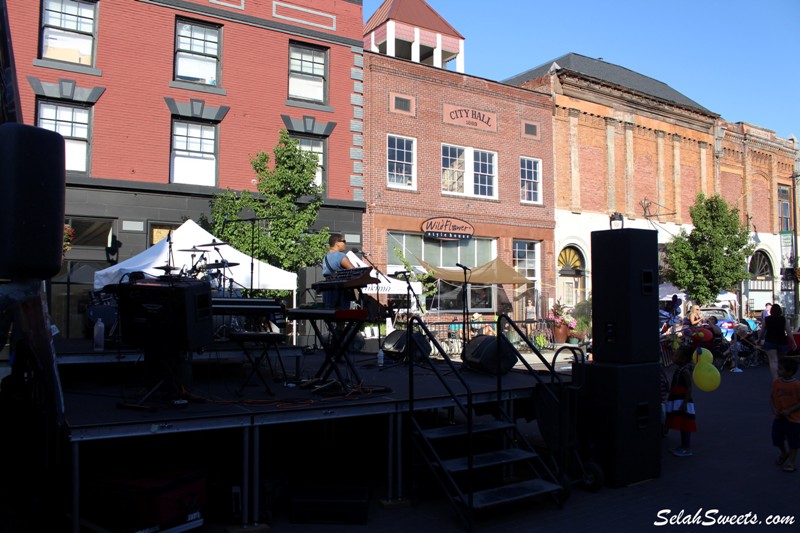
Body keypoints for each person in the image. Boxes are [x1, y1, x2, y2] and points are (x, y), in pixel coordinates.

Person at [665, 345, 696, 457]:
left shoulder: (684, 371)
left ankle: (686, 448)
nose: (673, 356)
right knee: (681, 422)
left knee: (685, 424)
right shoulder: (680, 369)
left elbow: (689, 387)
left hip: (682, 399)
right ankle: (683, 446)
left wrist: (685, 403)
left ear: (683, 358)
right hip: (677, 398)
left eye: (676, 355)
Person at [770, 357, 800, 473]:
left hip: (794, 419)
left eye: (781, 369)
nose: (778, 371)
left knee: (793, 442)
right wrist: (774, 410)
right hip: (779, 417)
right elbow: (772, 398)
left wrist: (790, 410)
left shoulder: (797, 385)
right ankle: (784, 453)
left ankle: (792, 461)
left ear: (790, 372)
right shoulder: (776, 383)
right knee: (777, 438)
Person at [758, 303, 797, 380]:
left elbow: (762, 331)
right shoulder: (784, 319)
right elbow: (788, 331)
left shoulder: (767, 319)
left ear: (771, 311)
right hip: (782, 341)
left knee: (773, 361)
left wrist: (759, 339)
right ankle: (781, 375)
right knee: (780, 360)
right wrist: (793, 342)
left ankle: (776, 380)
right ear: (780, 311)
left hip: (770, 341)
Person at [321, 233, 355, 309]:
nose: (345, 244)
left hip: (328, 289)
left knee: (330, 314)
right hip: (340, 289)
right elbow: (354, 270)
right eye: (344, 241)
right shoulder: (340, 255)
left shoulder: (326, 257)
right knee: (342, 315)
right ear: (337, 243)